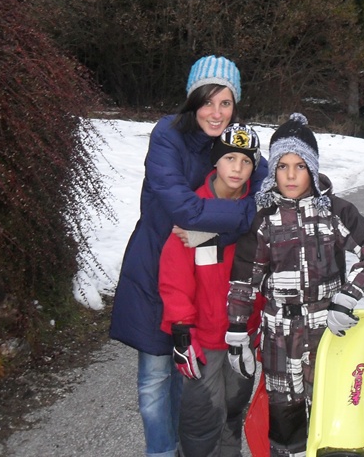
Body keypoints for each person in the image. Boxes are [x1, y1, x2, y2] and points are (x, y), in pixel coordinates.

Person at [109, 55, 268, 457]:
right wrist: (243, 218)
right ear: (192, 99)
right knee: (155, 378)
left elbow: (268, 195)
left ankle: (187, 449)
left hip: (201, 277)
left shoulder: (232, 141)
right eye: (207, 101)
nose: (216, 113)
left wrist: (226, 225)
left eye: (225, 103)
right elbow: (184, 210)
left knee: (191, 375)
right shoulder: (168, 135)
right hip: (154, 268)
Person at [225, 113, 364, 457]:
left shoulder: (335, 212)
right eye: (282, 166)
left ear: (312, 169)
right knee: (285, 423)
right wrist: (237, 333)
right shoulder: (263, 219)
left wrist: (347, 297)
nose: (290, 175)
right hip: (279, 337)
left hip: (327, 335)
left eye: (300, 166)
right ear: (272, 171)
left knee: (330, 417)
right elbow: (244, 280)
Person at [158, 123, 265, 457]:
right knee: (201, 417)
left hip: (242, 336)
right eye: (230, 158)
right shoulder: (193, 209)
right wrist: (181, 327)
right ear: (215, 161)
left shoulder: (258, 212)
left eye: (246, 161)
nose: (237, 168)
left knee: (233, 410)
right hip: (204, 340)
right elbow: (174, 276)